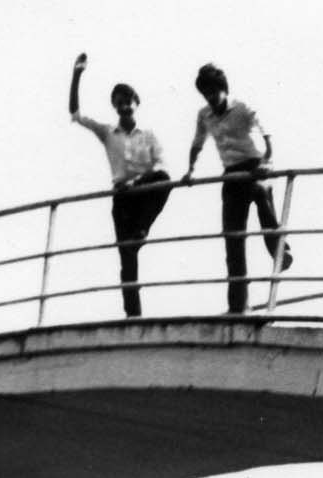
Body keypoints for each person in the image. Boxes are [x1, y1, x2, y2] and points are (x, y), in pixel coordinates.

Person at [183, 63, 293, 315]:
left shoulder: (242, 108)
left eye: (213, 92)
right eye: (206, 94)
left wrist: (266, 163)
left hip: (255, 166)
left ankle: (280, 251)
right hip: (232, 173)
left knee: (261, 195)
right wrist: (190, 170)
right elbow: (197, 143)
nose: (210, 99)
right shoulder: (204, 115)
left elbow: (267, 138)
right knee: (233, 239)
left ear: (223, 89)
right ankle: (237, 305)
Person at [69, 53, 171, 319]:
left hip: (144, 192)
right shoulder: (107, 133)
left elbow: (161, 167)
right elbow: (76, 115)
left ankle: (143, 229)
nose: (125, 108)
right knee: (127, 259)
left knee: (164, 180)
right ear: (115, 107)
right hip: (122, 199)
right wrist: (77, 75)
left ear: (136, 103)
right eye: (119, 104)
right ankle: (133, 314)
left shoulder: (148, 135)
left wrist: (137, 181)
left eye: (128, 103)